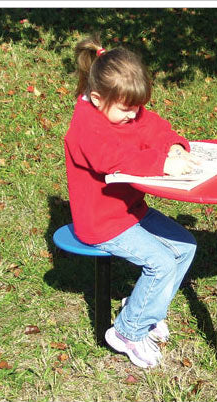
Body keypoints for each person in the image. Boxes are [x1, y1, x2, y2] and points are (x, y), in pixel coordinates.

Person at [63, 36, 198, 368]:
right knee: (162, 263)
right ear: (97, 98)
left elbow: (154, 128)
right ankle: (127, 331)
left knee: (186, 246)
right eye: (127, 108)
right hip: (101, 222)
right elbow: (113, 159)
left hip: (130, 211)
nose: (134, 114)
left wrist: (175, 145)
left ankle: (143, 309)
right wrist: (162, 164)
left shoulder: (124, 111)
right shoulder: (86, 127)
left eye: (137, 106)